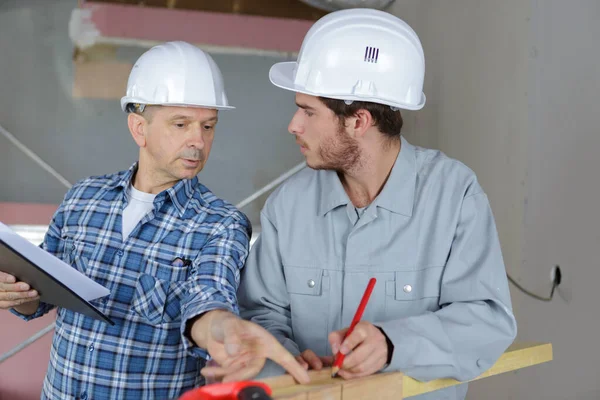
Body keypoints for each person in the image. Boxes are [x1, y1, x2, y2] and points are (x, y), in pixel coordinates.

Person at [0, 41, 308, 400]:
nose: (198, 140)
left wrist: (225, 329)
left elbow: (210, 299)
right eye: (181, 124)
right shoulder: (82, 198)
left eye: (208, 126)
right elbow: (39, 295)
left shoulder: (220, 224)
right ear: (138, 128)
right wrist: (14, 291)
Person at [235, 9, 517, 400]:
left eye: (308, 111)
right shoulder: (289, 206)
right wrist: (288, 357)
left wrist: (391, 343)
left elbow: (488, 322)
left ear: (359, 121)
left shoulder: (454, 196)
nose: (294, 125)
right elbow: (259, 314)